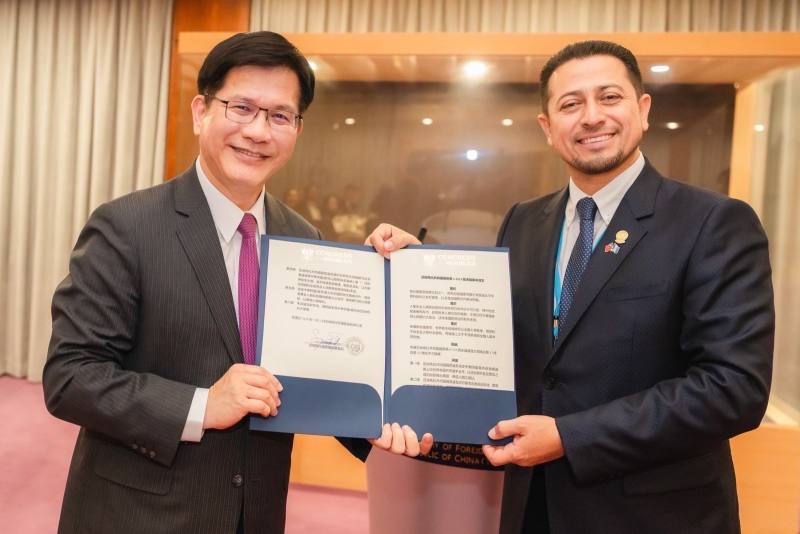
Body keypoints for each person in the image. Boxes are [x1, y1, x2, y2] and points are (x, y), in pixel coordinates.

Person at [366, 40, 774, 534]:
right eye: (570, 104)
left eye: (609, 97)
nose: (591, 117)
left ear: (643, 110)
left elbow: (734, 389)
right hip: (531, 506)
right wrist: (418, 275)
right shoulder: (525, 221)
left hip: (655, 515)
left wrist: (568, 436)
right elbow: (502, 346)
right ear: (547, 127)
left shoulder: (712, 222)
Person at [43, 31, 430, 534]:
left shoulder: (302, 235)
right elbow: (71, 376)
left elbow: (308, 374)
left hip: (256, 513)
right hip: (139, 514)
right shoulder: (127, 226)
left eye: (279, 116)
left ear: (297, 128)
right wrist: (203, 405)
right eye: (242, 107)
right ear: (202, 111)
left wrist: (374, 421)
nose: (258, 132)